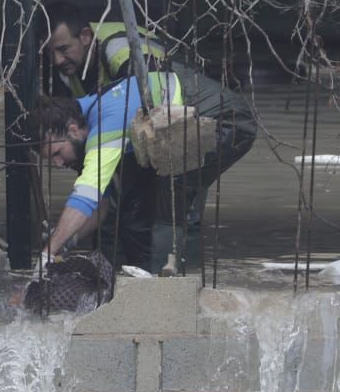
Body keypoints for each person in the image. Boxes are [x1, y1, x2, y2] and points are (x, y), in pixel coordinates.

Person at [34, 63, 256, 274]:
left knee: (170, 191)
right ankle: (149, 275)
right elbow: (100, 206)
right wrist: (66, 242)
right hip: (186, 125)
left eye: (57, 154)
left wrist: (47, 254)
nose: (59, 164)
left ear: (72, 130)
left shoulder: (106, 124)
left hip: (227, 120)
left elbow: (86, 196)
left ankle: (169, 281)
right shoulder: (91, 112)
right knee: (134, 208)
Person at [44, 1, 170, 99]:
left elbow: (155, 91)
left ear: (85, 36)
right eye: (50, 52)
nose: (57, 60)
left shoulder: (118, 49)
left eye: (64, 49)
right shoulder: (69, 64)